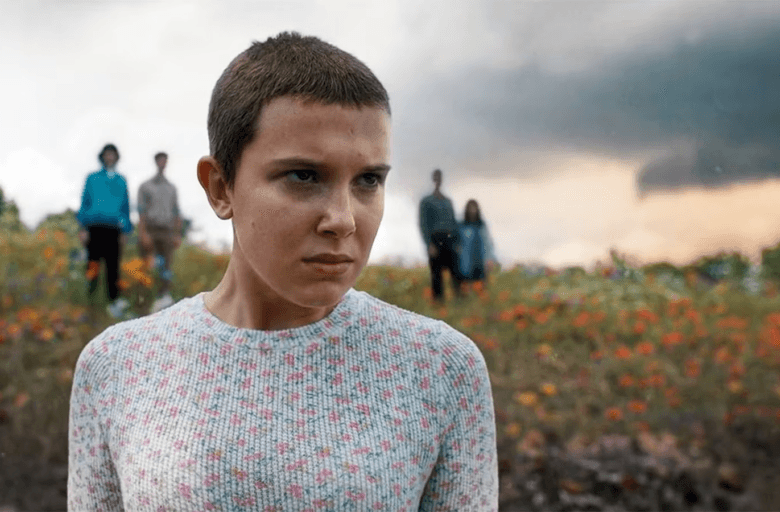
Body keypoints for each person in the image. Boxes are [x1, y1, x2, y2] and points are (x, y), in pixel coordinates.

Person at [68, 32, 498, 510]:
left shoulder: (442, 369)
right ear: (220, 187)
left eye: (368, 180)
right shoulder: (116, 367)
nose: (343, 220)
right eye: (304, 176)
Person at [76, 143, 132, 318]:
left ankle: (113, 302)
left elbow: (126, 207)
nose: (110, 157)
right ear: (102, 157)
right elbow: (85, 202)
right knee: (92, 264)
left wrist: (126, 230)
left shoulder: (121, 180)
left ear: (116, 157)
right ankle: (91, 300)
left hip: (114, 229)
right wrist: (82, 227)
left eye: (112, 154)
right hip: (94, 227)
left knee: (113, 267)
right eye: (107, 154)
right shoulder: (92, 178)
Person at [136, 151, 183, 313]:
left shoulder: (171, 188)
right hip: (151, 230)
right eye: (160, 160)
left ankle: (163, 302)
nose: (163, 163)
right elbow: (141, 211)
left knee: (166, 268)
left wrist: (177, 234)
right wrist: (143, 233)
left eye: (165, 160)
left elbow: (176, 212)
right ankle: (143, 302)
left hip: (167, 232)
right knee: (147, 266)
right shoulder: (145, 186)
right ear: (156, 162)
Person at [419, 168, 461, 301]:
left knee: (456, 271)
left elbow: (454, 222)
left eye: (440, 177)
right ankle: (438, 302)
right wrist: (429, 244)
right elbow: (424, 224)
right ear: (433, 179)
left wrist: (457, 241)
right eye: (436, 177)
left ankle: (459, 299)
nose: (438, 180)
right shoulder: (427, 201)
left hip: (450, 238)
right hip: (436, 239)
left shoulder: (447, 201)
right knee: (436, 273)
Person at [455, 199, 496, 297]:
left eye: (474, 208)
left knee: (480, 289)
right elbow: (456, 243)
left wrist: (489, 259)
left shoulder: (481, 225)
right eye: (470, 208)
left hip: (480, 262)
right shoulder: (461, 225)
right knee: (466, 289)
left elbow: (487, 243)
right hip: (465, 263)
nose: (472, 211)